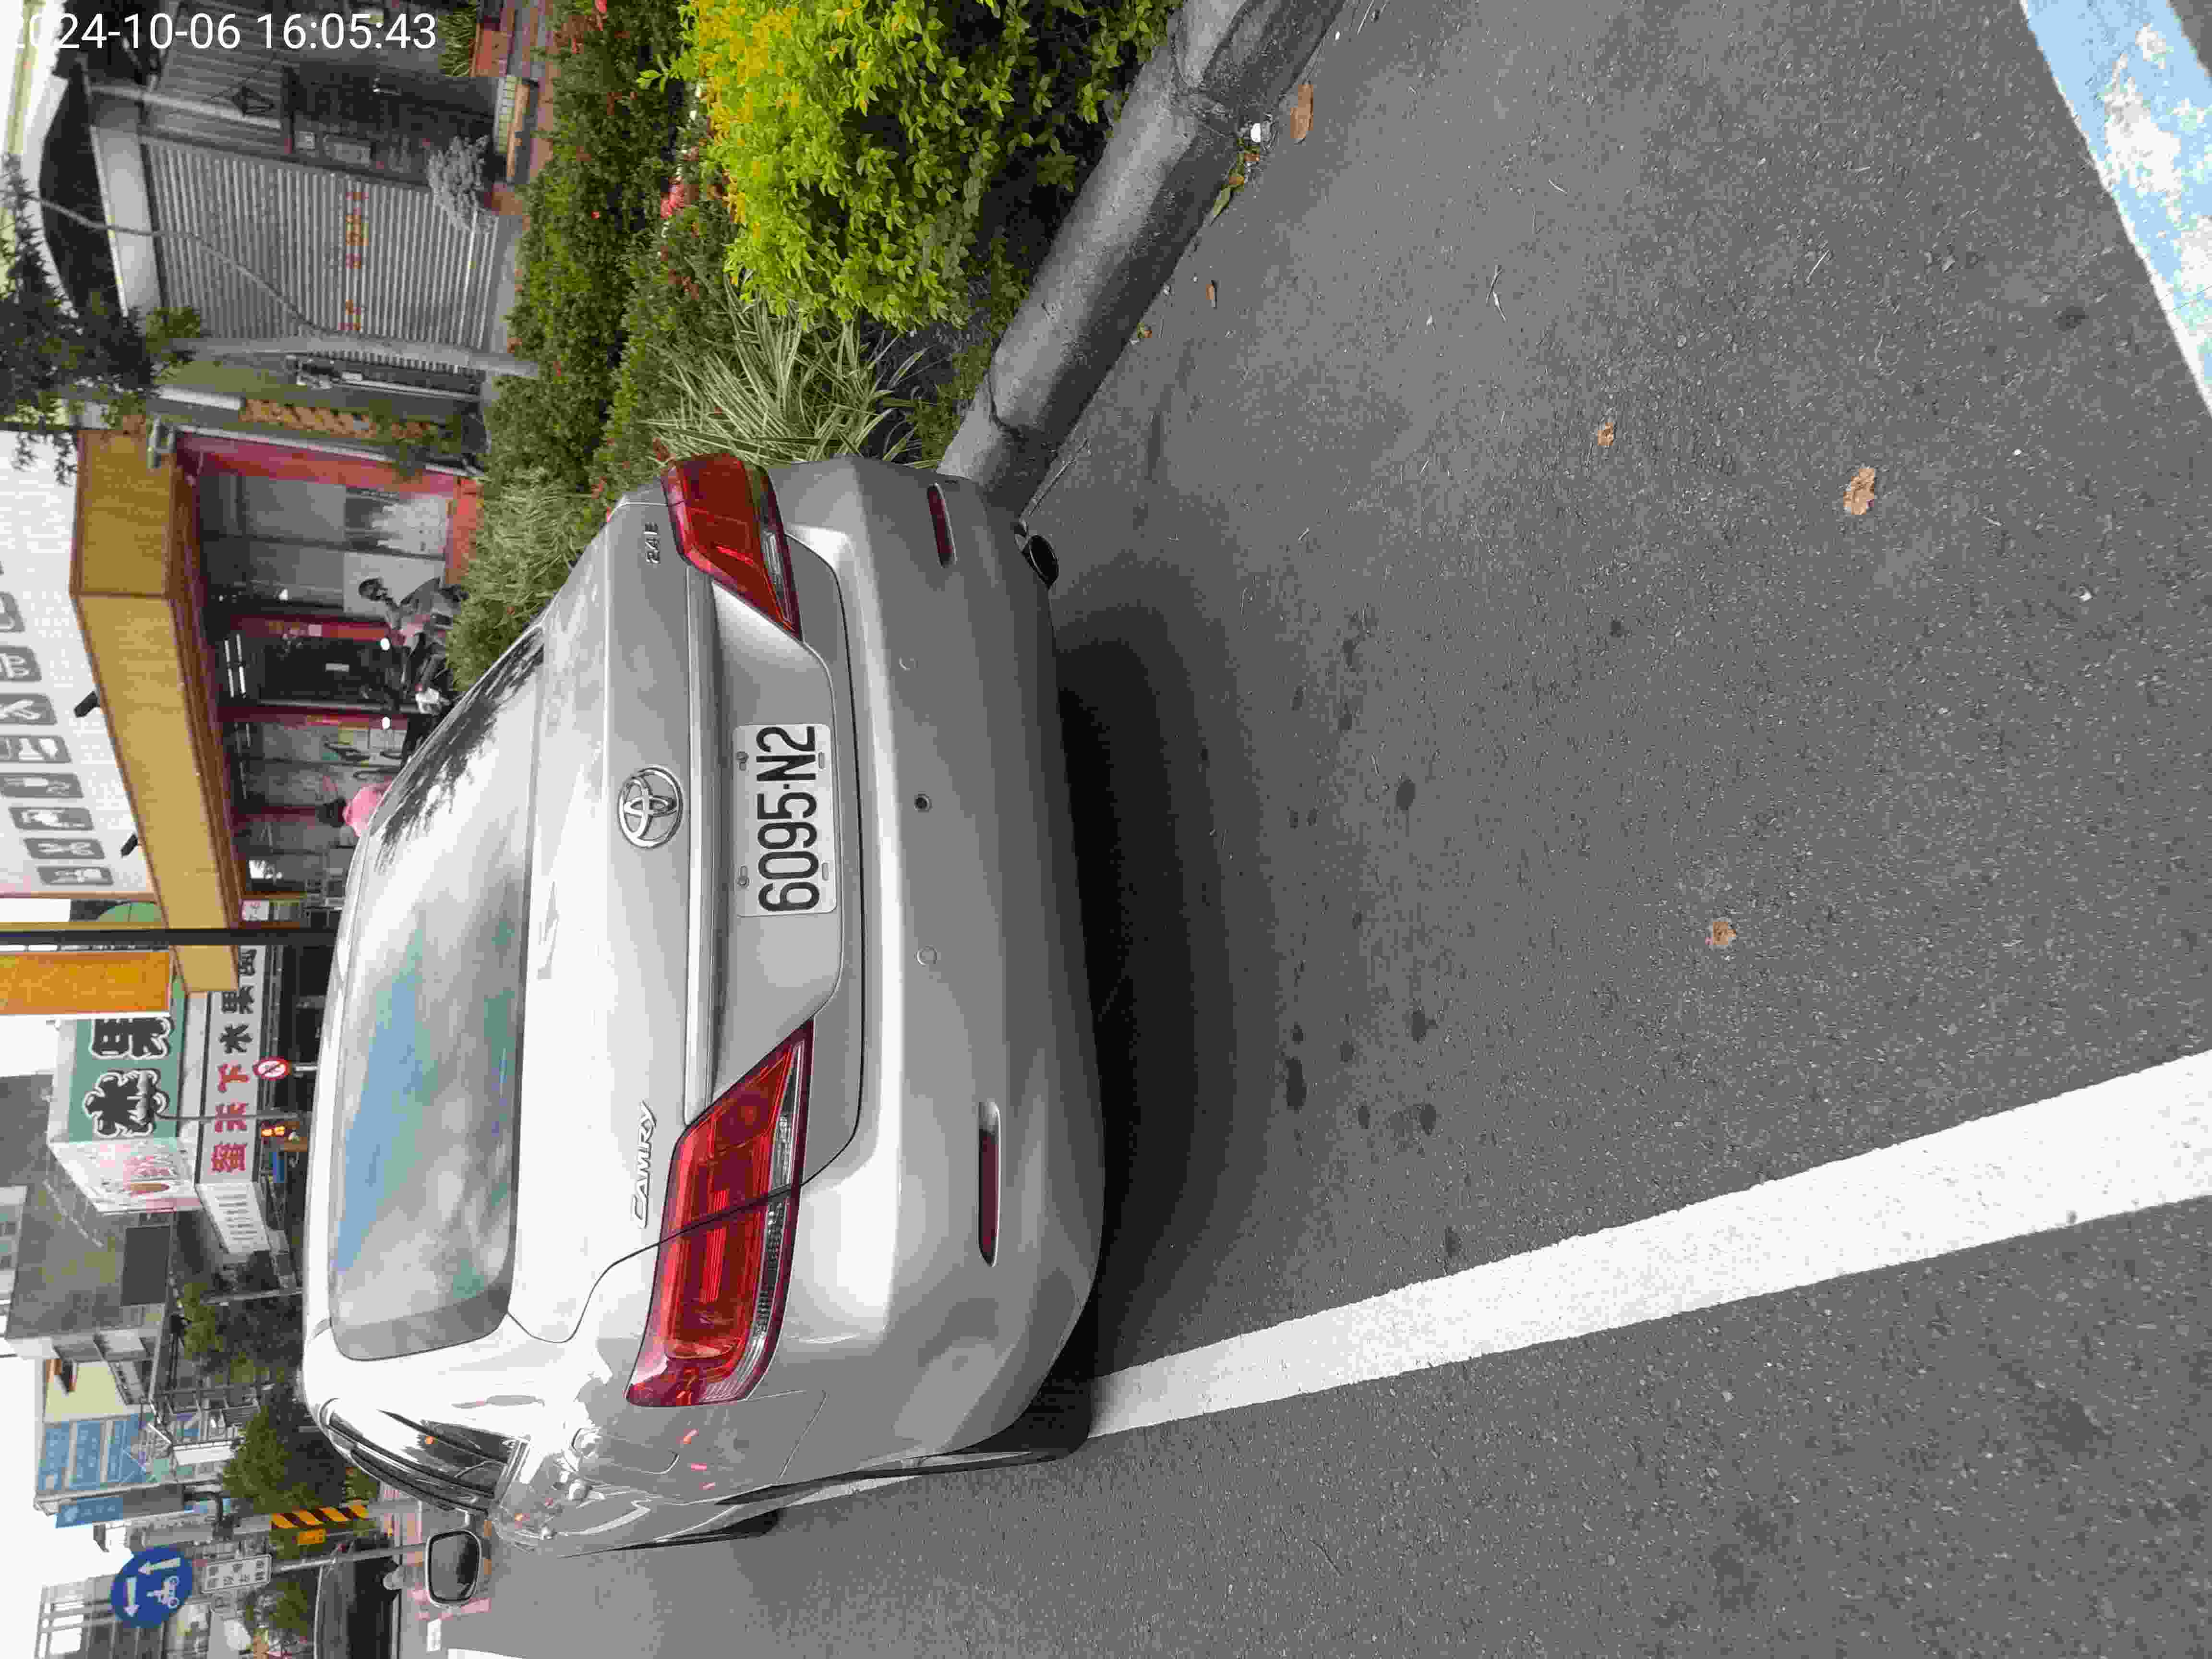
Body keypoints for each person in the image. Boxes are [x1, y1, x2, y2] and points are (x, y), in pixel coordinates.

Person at [358, 577, 468, 642]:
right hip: (423, 616)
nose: (377, 593)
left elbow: (420, 592)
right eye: (372, 594)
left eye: (373, 589)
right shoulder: (389, 612)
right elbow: (399, 627)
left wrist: (413, 603)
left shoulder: (393, 586)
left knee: (444, 602)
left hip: (427, 602)